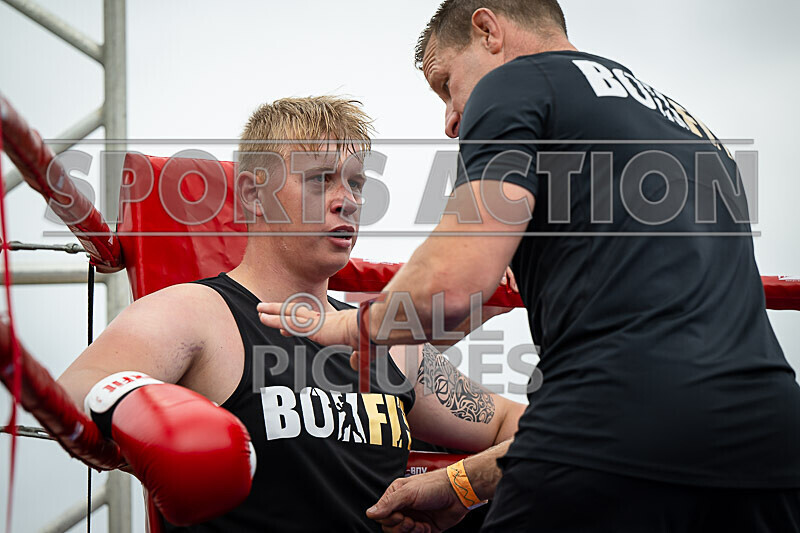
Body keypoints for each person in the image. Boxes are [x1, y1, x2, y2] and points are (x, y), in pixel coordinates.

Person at [257, 3, 800, 532]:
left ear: (488, 30)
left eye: (446, 85)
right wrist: (460, 485)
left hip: (613, 433)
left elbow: (452, 287)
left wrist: (351, 325)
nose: (451, 119)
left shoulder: (518, 84)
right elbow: (666, 397)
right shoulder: (693, 130)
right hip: (770, 442)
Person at [56, 95, 525, 531]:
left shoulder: (389, 344)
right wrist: (147, 421)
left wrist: (461, 483)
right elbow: (76, 388)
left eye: (356, 182)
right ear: (253, 194)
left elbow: (518, 424)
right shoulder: (199, 313)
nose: (348, 200)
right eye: (321, 179)